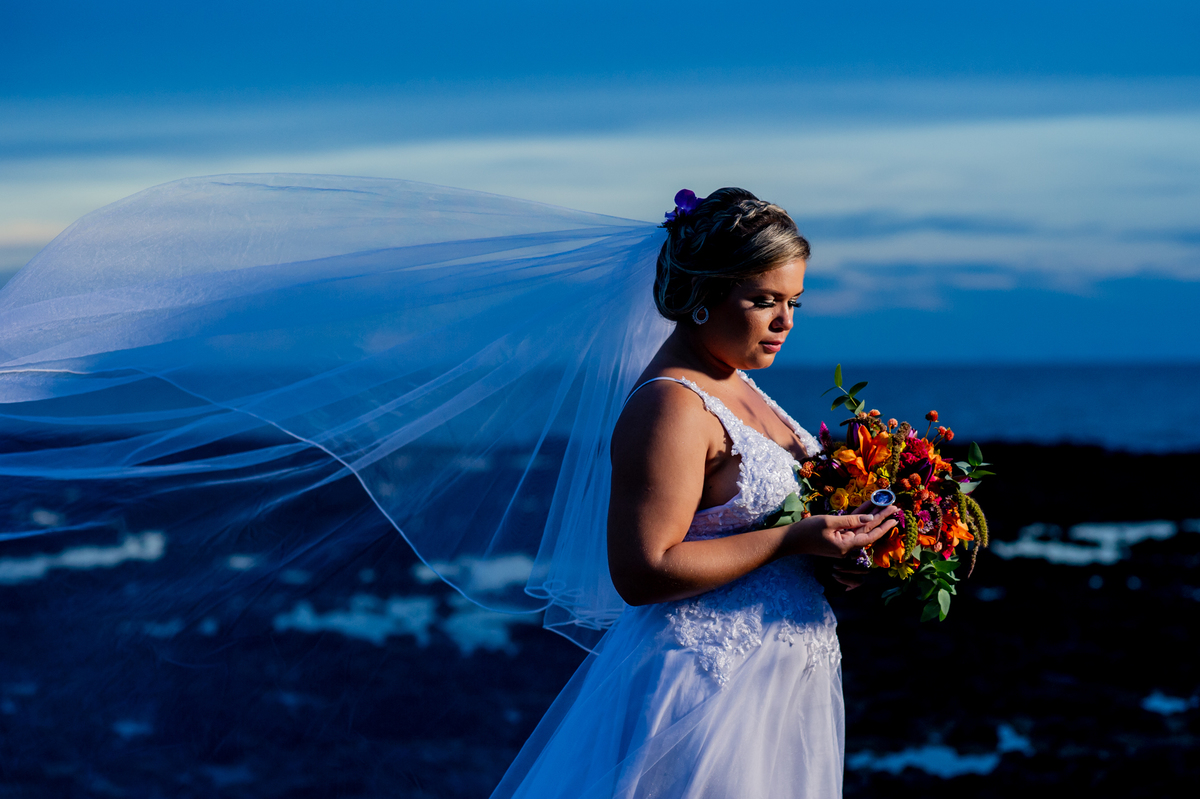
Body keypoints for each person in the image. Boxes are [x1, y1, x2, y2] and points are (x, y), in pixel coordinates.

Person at [491, 189, 898, 798]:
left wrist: (836, 554)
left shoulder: (737, 381)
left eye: (793, 302)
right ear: (702, 296)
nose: (785, 322)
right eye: (764, 301)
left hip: (784, 679)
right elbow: (643, 570)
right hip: (706, 689)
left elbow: (746, 530)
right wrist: (792, 541)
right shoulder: (671, 405)